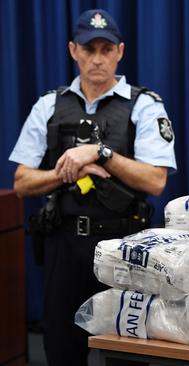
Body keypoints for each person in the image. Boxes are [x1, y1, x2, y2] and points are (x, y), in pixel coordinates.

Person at [8, 9, 176, 366]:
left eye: (106, 48)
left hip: (122, 246)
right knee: (62, 351)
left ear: (120, 51)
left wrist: (101, 154)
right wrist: (70, 169)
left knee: (126, 355)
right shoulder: (49, 106)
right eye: (88, 49)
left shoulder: (144, 105)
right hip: (64, 247)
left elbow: (156, 181)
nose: (97, 58)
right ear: (73, 50)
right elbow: (22, 182)